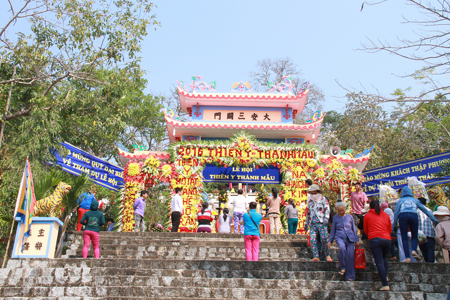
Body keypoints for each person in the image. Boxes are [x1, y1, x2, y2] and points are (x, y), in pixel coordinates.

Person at [393, 187, 438, 262]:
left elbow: (396, 213)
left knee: (404, 237)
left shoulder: (400, 201)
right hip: (413, 215)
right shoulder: (415, 200)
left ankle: (407, 257)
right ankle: (414, 250)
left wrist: (393, 225)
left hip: (403, 216)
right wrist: (434, 219)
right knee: (414, 235)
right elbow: (425, 211)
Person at [363, 200, 392, 291]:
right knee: (385, 258)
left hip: (375, 239)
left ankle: (385, 284)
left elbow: (365, 230)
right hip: (387, 239)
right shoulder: (386, 215)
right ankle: (385, 276)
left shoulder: (367, 216)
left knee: (379, 261)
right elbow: (389, 229)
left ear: (370, 207)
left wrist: (371, 236)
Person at [328, 201, 359, 281]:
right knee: (342, 249)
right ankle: (342, 266)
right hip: (339, 237)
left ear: (345, 208)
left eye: (342, 210)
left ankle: (350, 276)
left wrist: (356, 239)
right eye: (339, 211)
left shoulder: (350, 217)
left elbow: (353, 228)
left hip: (350, 237)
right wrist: (330, 241)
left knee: (350, 256)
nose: (341, 212)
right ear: (337, 211)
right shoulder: (335, 218)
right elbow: (333, 230)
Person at [305, 184, 332, 262]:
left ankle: (327, 254)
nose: (313, 195)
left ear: (318, 192)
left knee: (324, 239)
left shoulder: (323, 199)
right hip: (312, 223)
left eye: (314, 193)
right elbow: (308, 213)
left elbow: (327, 209)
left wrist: (326, 218)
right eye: (312, 193)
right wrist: (306, 223)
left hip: (321, 222)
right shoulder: (310, 201)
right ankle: (316, 256)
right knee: (313, 240)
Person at [417, 197, 436, 263]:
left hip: (420, 234)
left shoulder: (416, 211)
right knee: (430, 248)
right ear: (425, 203)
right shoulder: (430, 210)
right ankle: (431, 262)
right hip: (430, 233)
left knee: (423, 249)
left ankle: (427, 261)